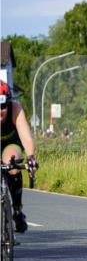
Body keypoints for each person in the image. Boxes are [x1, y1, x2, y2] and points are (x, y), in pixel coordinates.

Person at [0, 81, 38, 233]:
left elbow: (26, 138)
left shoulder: (16, 109)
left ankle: (17, 210)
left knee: (12, 163)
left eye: (3, 106)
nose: (0, 111)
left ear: (8, 103)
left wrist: (31, 158)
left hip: (11, 144)